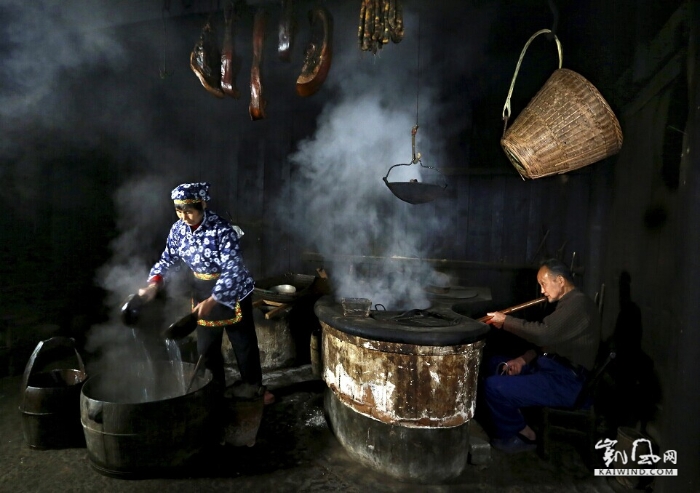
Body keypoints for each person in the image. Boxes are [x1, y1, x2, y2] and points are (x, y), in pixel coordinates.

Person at [139, 182, 274, 406]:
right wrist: (154, 282)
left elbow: (233, 269)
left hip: (233, 290)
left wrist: (214, 300)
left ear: (202, 204)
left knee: (243, 344)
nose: (184, 216)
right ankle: (215, 389)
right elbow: (167, 259)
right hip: (202, 289)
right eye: (178, 211)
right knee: (207, 348)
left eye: (189, 210)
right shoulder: (177, 230)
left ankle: (256, 389)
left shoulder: (222, 230)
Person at [482, 258, 600, 453]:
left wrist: (505, 321)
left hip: (568, 382)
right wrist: (522, 360)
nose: (543, 291)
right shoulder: (568, 303)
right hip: (552, 367)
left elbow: (543, 334)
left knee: (492, 387)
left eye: (544, 284)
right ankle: (515, 409)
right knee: (496, 363)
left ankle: (523, 434)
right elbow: (548, 343)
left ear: (560, 281)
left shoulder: (578, 305)